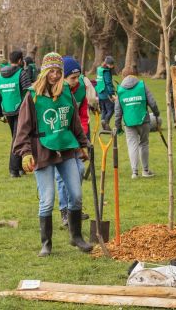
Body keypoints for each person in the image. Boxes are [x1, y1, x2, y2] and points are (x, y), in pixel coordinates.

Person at [13, 52, 93, 256]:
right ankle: (46, 244)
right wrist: (25, 154)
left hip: (66, 150)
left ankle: (76, 237)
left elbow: (74, 121)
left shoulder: (67, 92)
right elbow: (22, 129)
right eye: (51, 71)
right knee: (47, 199)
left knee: (76, 195)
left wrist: (83, 144)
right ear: (44, 72)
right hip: (42, 151)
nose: (55, 76)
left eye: (59, 72)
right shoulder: (32, 96)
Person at [55, 56, 98, 227]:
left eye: (78, 76)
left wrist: (84, 137)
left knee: (79, 170)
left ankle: (75, 208)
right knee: (60, 177)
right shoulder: (56, 91)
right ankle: (65, 211)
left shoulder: (81, 88)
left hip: (77, 136)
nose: (76, 80)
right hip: (59, 138)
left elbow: (83, 114)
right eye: (72, 77)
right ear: (63, 77)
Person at [115, 67, 161, 179]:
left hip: (128, 122)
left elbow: (118, 110)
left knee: (132, 145)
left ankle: (134, 172)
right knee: (144, 143)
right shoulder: (142, 85)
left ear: (123, 76)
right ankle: (145, 171)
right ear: (135, 75)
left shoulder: (120, 89)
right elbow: (152, 102)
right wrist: (156, 114)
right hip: (143, 119)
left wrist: (118, 125)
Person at [0, 50, 32, 178]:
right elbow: (29, 93)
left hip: (7, 110)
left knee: (17, 137)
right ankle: (14, 170)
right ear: (20, 60)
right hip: (21, 111)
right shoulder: (22, 73)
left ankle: (21, 168)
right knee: (18, 139)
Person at [95, 56, 116, 130]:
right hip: (106, 94)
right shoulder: (106, 71)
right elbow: (108, 83)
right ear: (108, 64)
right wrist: (112, 94)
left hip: (100, 93)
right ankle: (106, 122)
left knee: (104, 110)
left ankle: (103, 124)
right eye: (112, 64)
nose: (113, 66)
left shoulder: (99, 69)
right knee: (112, 108)